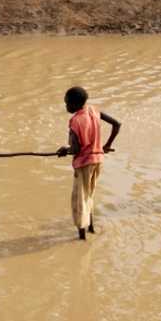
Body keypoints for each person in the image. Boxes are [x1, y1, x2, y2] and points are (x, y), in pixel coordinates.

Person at [56, 87, 121, 240]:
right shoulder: (94, 111)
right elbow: (117, 124)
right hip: (98, 161)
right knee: (89, 195)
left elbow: (76, 149)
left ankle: (82, 237)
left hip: (84, 164)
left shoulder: (75, 121)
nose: (66, 107)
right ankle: (91, 227)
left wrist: (65, 150)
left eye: (67, 104)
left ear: (74, 104)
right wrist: (105, 146)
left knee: (79, 200)